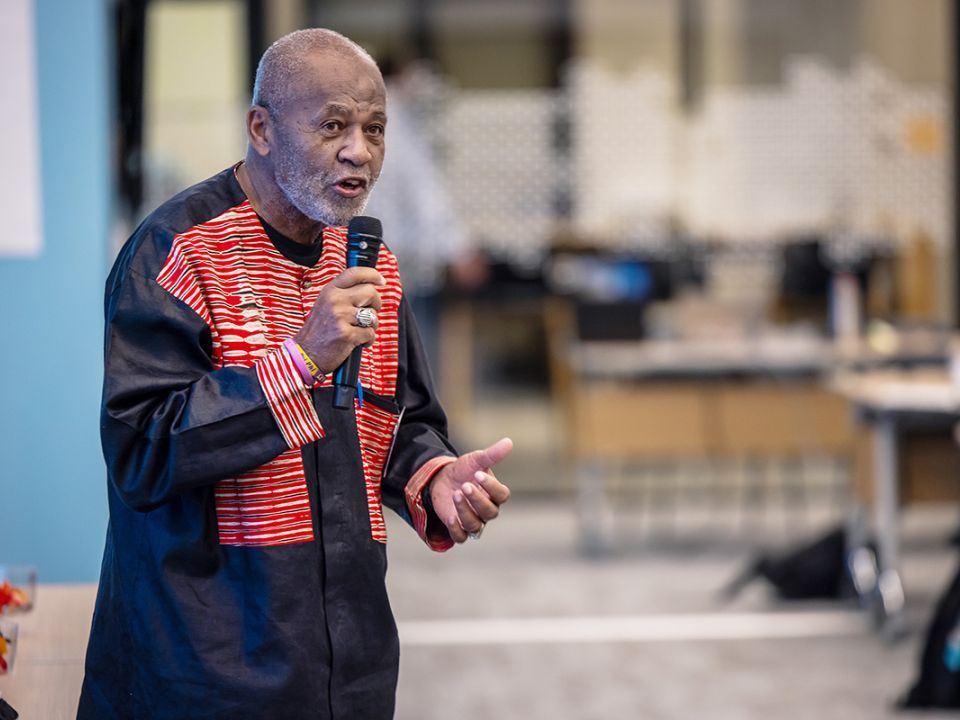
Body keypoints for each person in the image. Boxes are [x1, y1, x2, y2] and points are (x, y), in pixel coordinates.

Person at [78, 28, 512, 720]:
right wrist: (300, 357)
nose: (359, 152)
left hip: (349, 662)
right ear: (262, 128)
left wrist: (436, 476)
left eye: (375, 129)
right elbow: (141, 450)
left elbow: (398, 424)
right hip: (206, 667)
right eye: (333, 126)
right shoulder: (178, 251)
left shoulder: (371, 263)